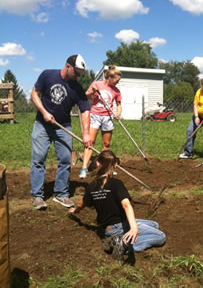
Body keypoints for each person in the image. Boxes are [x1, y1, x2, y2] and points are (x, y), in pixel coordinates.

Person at [70, 150, 166, 260]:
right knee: (160, 236)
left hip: (107, 228)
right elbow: (126, 205)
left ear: (97, 163)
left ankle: (115, 238)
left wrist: (75, 210)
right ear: (116, 165)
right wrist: (134, 228)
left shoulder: (91, 186)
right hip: (120, 225)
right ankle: (124, 246)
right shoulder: (116, 184)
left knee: (155, 224)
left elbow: (82, 203)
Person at [30, 54, 92, 210]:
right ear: (68, 66)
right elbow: (34, 94)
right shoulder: (47, 75)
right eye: (76, 72)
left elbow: (85, 110)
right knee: (39, 159)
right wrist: (44, 112)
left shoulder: (77, 88)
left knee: (65, 159)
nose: (77, 75)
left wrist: (86, 133)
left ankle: (61, 194)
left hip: (63, 126)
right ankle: (37, 195)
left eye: (80, 73)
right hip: (42, 124)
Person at [79, 65, 123, 179]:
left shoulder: (116, 91)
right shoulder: (97, 84)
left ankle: (106, 168)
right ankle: (84, 168)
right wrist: (92, 91)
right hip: (95, 116)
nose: (118, 82)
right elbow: (85, 96)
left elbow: (118, 105)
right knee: (90, 142)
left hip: (108, 117)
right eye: (117, 80)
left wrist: (118, 113)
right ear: (110, 77)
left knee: (106, 144)